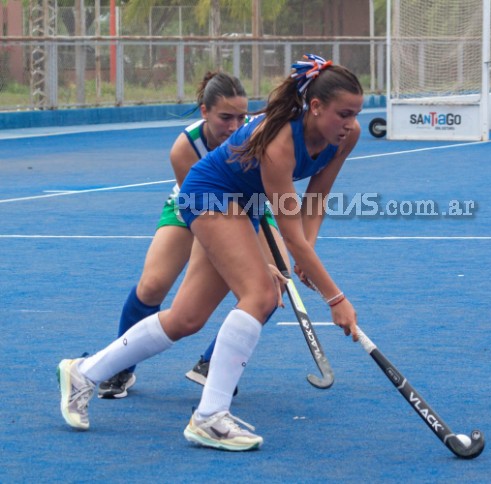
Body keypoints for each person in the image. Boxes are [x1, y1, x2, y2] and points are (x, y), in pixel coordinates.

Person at [57, 54, 363, 451]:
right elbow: (289, 234)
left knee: (186, 318)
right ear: (316, 107)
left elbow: (316, 199)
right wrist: (335, 298)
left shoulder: (346, 136)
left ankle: (83, 372)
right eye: (343, 113)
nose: (351, 124)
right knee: (261, 294)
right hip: (210, 193)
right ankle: (209, 417)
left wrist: (310, 256)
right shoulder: (279, 142)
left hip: (243, 202)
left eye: (356, 114)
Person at [98, 71, 290, 399]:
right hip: (193, 207)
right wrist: (250, 258)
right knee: (152, 285)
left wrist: (262, 260)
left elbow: (254, 201)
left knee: (276, 281)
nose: (234, 125)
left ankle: (212, 363)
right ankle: (119, 367)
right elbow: (204, 217)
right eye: (225, 117)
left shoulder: (257, 135)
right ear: (204, 111)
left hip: (250, 206)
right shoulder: (185, 149)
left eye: (241, 116)